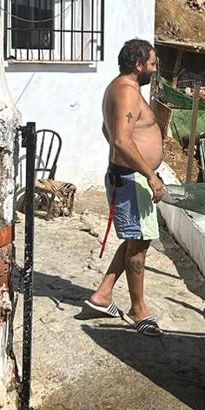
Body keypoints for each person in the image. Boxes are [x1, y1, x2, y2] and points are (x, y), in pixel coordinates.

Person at [84, 39, 165, 336]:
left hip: (131, 176)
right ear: (138, 64)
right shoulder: (127, 92)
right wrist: (150, 175)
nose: (154, 70)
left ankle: (103, 295)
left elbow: (108, 130)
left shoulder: (119, 88)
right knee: (139, 245)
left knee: (135, 239)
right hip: (131, 179)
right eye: (153, 64)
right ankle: (138, 310)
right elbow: (120, 139)